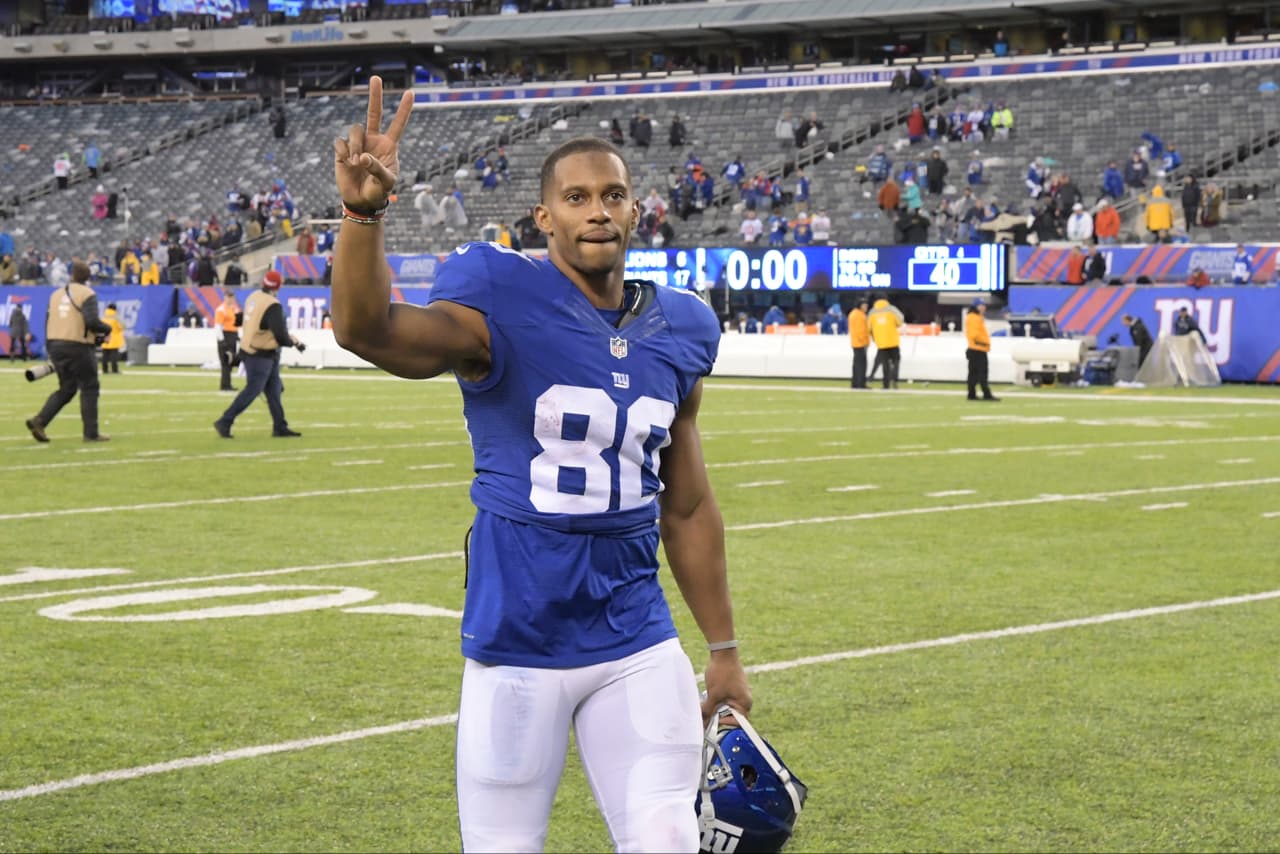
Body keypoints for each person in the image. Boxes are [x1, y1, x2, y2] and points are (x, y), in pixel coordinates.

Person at [328, 78, 751, 853]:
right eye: (579, 197)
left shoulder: (681, 326)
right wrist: (363, 214)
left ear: (634, 209)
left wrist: (722, 650)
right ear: (544, 215)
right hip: (516, 637)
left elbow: (686, 505)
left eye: (613, 195)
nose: (598, 210)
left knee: (667, 839)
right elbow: (366, 329)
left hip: (636, 633)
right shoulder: (499, 298)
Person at [25, 261, 112, 443]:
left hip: (55, 344)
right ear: (88, 278)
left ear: (72, 275)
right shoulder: (87, 294)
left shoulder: (55, 294)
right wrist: (107, 329)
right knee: (90, 387)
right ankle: (91, 433)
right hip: (78, 346)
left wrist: (50, 347)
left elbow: (48, 321)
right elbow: (91, 322)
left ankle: (39, 420)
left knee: (67, 388)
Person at [213, 270, 303, 439]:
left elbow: (239, 319)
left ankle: (280, 426)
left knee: (274, 390)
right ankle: (225, 420)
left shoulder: (253, 297)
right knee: (253, 389)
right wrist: (295, 343)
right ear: (278, 286)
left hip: (250, 349)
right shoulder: (272, 305)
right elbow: (280, 335)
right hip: (261, 353)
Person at [965, 299, 998, 401]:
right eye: (981, 305)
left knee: (973, 374)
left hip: (976, 348)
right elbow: (974, 334)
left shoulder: (975, 317)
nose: (983, 307)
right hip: (978, 349)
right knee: (981, 373)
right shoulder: (974, 318)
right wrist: (983, 342)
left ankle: (972, 394)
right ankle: (985, 393)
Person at [868, 297, 904, 389]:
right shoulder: (891, 309)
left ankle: (885, 384)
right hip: (893, 342)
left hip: (881, 343)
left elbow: (868, 328)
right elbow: (900, 321)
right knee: (895, 362)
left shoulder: (872, 312)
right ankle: (894, 381)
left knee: (885, 365)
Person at [214, 288, 242, 392]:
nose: (230, 299)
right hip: (225, 335)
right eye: (228, 296)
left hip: (233, 336)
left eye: (232, 297)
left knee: (231, 362)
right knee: (225, 362)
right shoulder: (221, 310)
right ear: (224, 297)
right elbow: (218, 327)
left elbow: (238, 324)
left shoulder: (235, 309)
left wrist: (239, 337)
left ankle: (227, 384)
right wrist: (222, 341)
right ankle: (224, 385)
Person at [848, 296, 870, 389]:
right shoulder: (860, 316)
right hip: (860, 343)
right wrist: (865, 342)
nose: (866, 307)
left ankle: (855, 383)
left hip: (855, 342)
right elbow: (861, 331)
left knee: (856, 364)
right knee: (862, 365)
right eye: (864, 305)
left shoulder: (853, 314)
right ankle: (860, 383)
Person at [100, 302, 124, 374]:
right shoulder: (116, 317)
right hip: (114, 339)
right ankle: (115, 370)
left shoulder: (103, 316)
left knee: (105, 356)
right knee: (114, 356)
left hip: (105, 338)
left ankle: (105, 370)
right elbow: (121, 327)